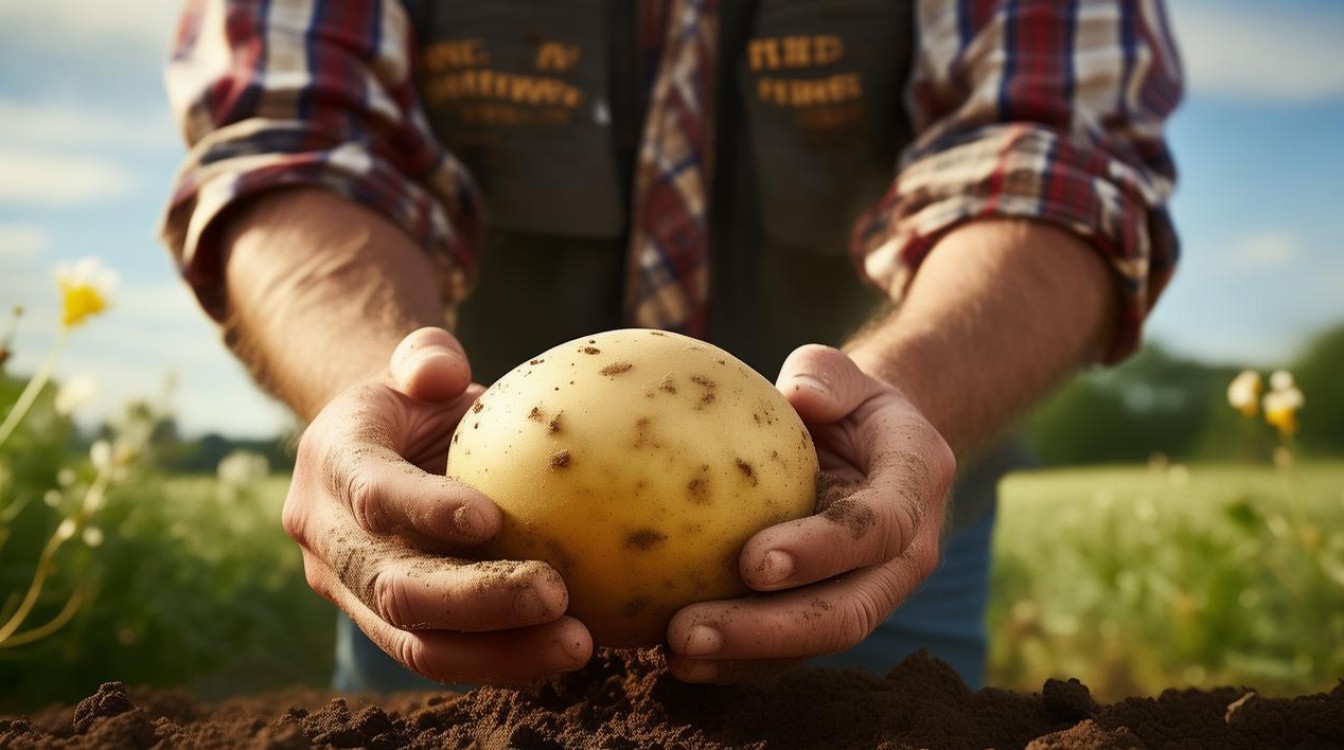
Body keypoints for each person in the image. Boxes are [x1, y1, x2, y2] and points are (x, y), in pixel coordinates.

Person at [159, 0, 1181, 691]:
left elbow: (1059, 152)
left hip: (888, 519)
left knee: (892, 719)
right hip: (456, 545)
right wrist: (378, 394)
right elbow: (291, 137)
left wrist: (893, 402)